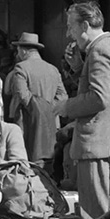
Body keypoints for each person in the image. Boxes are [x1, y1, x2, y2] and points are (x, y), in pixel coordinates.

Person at [55, 1, 110, 219]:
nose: (69, 34)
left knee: (95, 217)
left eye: (71, 26)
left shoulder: (100, 51)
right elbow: (108, 89)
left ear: (86, 25)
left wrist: (66, 106)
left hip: (98, 148)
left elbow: (100, 97)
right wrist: (79, 68)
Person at [9, 32, 68, 170]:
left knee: (29, 164)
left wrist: (39, 109)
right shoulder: (53, 69)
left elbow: (23, 96)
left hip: (29, 124)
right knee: (49, 164)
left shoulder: (21, 68)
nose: (17, 53)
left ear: (23, 50)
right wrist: (49, 108)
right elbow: (63, 96)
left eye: (18, 50)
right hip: (52, 123)